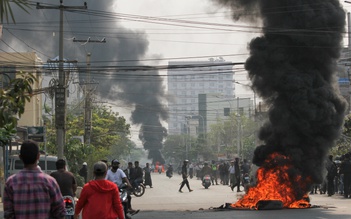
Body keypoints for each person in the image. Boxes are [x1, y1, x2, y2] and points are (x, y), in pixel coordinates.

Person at [3, 140, 66, 219]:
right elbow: (60, 212)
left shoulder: (11, 183)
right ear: (38, 156)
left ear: (20, 157)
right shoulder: (50, 182)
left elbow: (8, 214)